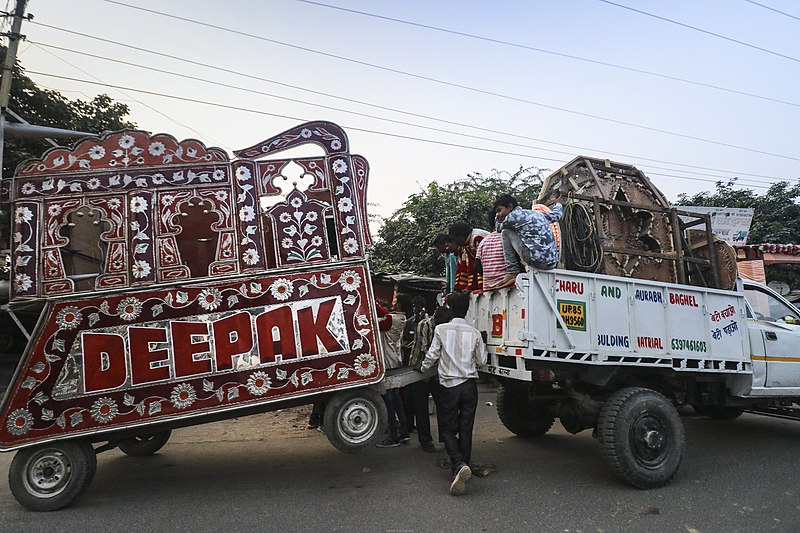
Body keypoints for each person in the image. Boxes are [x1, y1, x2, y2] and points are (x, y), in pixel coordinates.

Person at [420, 291, 487, 496]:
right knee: (465, 428)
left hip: (448, 386)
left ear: (449, 308)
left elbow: (432, 355)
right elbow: (482, 361)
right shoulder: (474, 332)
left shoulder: (441, 329)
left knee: (448, 429)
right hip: (469, 386)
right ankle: (461, 466)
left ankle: (458, 464)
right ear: (467, 310)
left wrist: (423, 369)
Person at [493, 193, 563, 287]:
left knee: (506, 232)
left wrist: (496, 218)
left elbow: (498, 228)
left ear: (510, 207)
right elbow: (556, 216)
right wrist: (558, 204)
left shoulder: (512, 217)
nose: (498, 214)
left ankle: (512, 271)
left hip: (536, 260)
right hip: (552, 262)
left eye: (499, 210)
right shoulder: (537, 213)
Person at [410, 305, 453, 453]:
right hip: (420, 369)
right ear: (438, 318)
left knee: (443, 406)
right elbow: (425, 350)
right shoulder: (425, 325)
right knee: (421, 407)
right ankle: (425, 441)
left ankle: (446, 439)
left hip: (435, 370)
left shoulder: (445, 326)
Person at [376, 298, 411, 448]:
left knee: (389, 399)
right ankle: (403, 431)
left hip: (388, 361)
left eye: (396, 302)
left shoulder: (392, 319)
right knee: (396, 398)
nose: (393, 304)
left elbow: (378, 318)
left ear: (401, 305)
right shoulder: (401, 318)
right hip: (395, 358)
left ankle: (393, 433)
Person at [448, 221, 489, 292]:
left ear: (460, 236)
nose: (455, 242)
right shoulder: (467, 243)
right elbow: (468, 267)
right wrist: (466, 288)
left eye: (454, 239)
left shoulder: (477, 238)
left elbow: (480, 264)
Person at [475, 208, 507, 290]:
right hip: (507, 286)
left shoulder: (483, 241)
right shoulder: (507, 237)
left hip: (488, 288)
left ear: (489, 225)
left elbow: (477, 266)